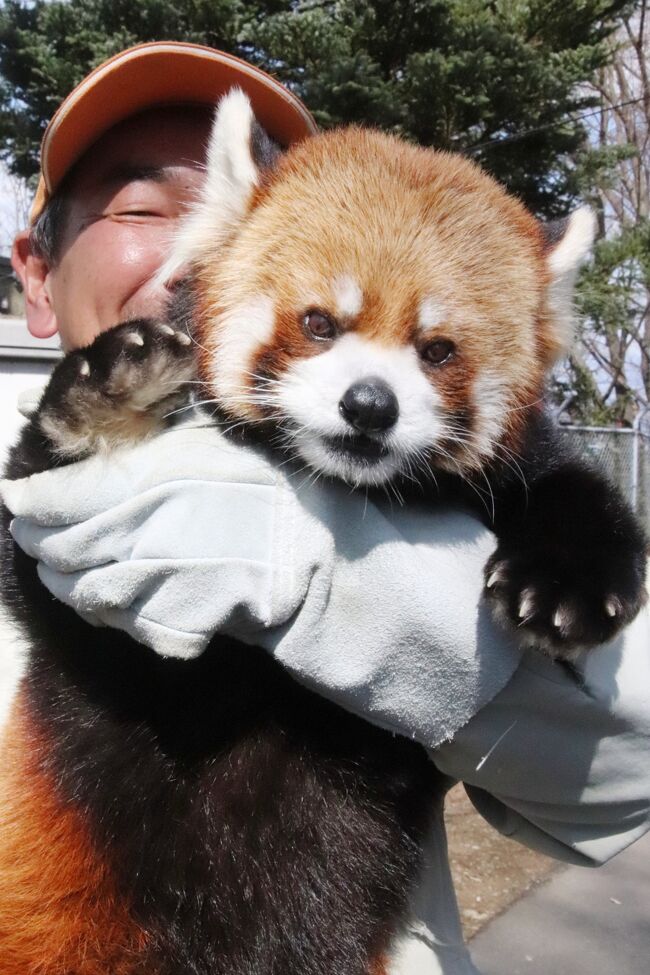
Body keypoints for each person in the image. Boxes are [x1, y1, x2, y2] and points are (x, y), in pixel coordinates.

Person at [3, 41, 650, 975]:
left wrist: (370, 598)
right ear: (35, 269)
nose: (187, 243)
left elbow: (625, 771)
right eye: (143, 204)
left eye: (435, 352)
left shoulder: (468, 483)